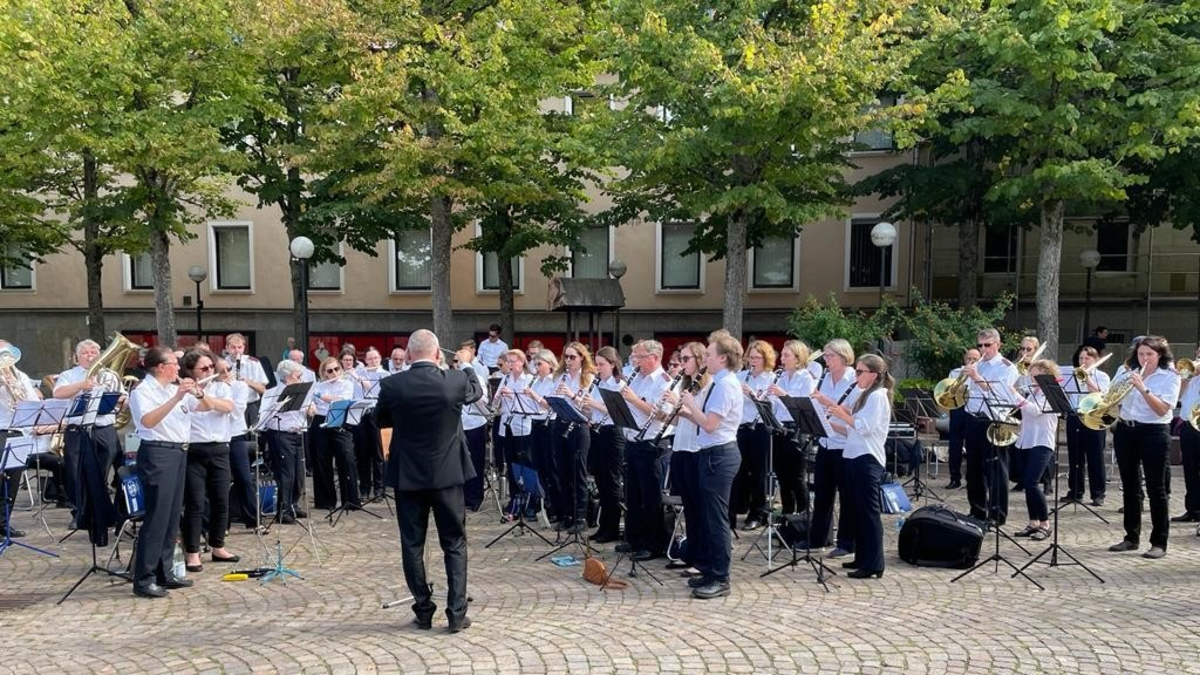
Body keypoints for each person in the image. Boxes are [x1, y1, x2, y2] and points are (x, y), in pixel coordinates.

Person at [375, 330, 481, 632]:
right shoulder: (455, 380)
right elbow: (476, 390)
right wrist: (467, 364)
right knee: (455, 544)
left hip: (409, 476)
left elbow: (380, 420)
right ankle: (456, 613)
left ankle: (423, 609)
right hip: (448, 475)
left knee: (412, 544)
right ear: (438, 355)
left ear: (408, 355)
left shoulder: (392, 384)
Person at [128, 346, 219, 598]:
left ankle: (165, 572)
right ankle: (144, 578)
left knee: (171, 518)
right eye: (173, 363)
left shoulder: (172, 389)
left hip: (179, 452)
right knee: (157, 518)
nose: (178, 368)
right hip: (158, 453)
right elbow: (148, 421)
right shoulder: (143, 391)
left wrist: (199, 392)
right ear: (160, 367)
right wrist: (177, 397)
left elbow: (205, 407)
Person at [674, 333, 743, 599]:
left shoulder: (726, 385)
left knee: (716, 519)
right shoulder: (719, 382)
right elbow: (706, 421)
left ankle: (721, 577)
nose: (707, 359)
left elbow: (712, 424)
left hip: (720, 454)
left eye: (711, 354)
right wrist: (688, 413)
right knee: (708, 516)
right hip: (711, 452)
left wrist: (691, 405)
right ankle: (710, 569)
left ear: (723, 358)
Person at [821, 353, 892, 579]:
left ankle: (874, 563)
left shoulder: (878, 396)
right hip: (852, 454)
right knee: (858, 511)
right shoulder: (864, 395)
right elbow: (851, 429)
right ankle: (862, 557)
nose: (856, 376)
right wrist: (829, 423)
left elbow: (865, 427)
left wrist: (842, 413)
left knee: (869, 513)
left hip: (867, 458)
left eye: (860, 372)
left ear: (874, 375)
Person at [1108, 336, 1179, 559]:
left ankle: (1159, 542)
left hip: (1154, 432)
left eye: (1150, 354)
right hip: (1126, 430)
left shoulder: (1170, 376)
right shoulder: (1125, 370)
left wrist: (1142, 388)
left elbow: (1162, 409)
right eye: (1141, 354)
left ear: (1160, 355)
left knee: (1156, 489)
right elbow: (1111, 398)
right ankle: (1131, 537)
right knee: (1130, 486)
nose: (1145, 358)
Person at [53, 339, 124, 535]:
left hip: (104, 428)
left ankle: (102, 512)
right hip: (78, 430)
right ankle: (79, 513)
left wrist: (121, 401)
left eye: (94, 351)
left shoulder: (110, 375)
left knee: (103, 472)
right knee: (75, 472)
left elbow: (122, 399)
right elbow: (58, 393)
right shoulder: (69, 375)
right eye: (85, 352)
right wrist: (82, 385)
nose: (90, 355)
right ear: (77, 357)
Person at [178, 349, 240, 573]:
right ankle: (192, 552)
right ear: (191, 371)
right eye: (204, 368)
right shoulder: (182, 391)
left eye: (211, 367)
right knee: (195, 503)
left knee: (221, 501)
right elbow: (201, 408)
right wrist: (197, 395)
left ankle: (218, 546)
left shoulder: (221, 387)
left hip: (220, 448)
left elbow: (227, 407)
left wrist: (204, 395)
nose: (210, 371)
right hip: (194, 449)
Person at [619, 340, 675, 560]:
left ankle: (653, 544)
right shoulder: (638, 379)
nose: (635, 361)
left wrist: (633, 399)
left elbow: (663, 414)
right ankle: (634, 538)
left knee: (650, 496)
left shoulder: (664, 382)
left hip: (651, 443)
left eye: (639, 357)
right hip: (633, 440)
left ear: (654, 358)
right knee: (632, 493)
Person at [961, 328, 1018, 526]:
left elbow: (1001, 395)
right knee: (973, 470)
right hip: (973, 419)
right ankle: (977, 511)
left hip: (994, 420)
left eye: (987, 345)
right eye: (980, 345)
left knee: (996, 469)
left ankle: (997, 515)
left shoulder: (1006, 367)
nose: (983, 349)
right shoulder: (978, 365)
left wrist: (976, 377)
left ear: (998, 345)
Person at [806, 339, 857, 557]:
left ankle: (846, 542)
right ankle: (819, 538)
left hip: (845, 443)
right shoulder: (825, 377)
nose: (826, 360)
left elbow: (849, 411)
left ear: (844, 356)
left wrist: (825, 401)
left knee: (847, 495)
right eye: (825, 356)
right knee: (823, 493)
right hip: (826, 441)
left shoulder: (853, 378)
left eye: (830, 356)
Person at [1007, 360, 1061, 543]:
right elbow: (1025, 412)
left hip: (1042, 442)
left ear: (1046, 374)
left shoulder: (1052, 393)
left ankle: (1045, 524)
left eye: (1036, 375)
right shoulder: (1033, 392)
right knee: (1028, 484)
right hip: (1026, 441)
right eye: (1031, 375)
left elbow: (1036, 411)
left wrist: (1015, 394)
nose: (1032, 378)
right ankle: (1033, 522)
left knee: (1031, 482)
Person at [581, 346, 626, 542]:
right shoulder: (598, 383)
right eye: (597, 364)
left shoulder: (618, 384)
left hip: (612, 434)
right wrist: (586, 410)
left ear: (613, 364)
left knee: (611, 481)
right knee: (600, 479)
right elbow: (596, 412)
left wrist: (593, 404)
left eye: (601, 364)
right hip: (597, 432)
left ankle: (612, 527)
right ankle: (603, 526)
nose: (598, 368)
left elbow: (615, 411)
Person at [766, 340, 817, 515]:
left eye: (786, 355)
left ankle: (803, 515)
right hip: (780, 429)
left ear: (798, 358)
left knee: (796, 477)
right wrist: (766, 398)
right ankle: (787, 515)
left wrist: (783, 394)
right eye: (782, 354)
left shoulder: (805, 378)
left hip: (797, 430)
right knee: (782, 477)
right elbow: (774, 405)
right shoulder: (780, 376)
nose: (782, 358)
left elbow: (803, 405)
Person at [550, 342, 596, 534]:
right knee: (564, 472)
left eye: (572, 357)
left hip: (579, 427)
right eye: (566, 357)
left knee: (578, 473)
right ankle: (567, 515)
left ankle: (581, 517)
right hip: (561, 424)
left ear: (582, 358)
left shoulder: (589, 378)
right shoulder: (561, 376)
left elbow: (589, 409)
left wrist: (572, 395)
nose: (568, 361)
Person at [261, 360, 310, 524]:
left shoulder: (302, 391)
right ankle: (283, 510)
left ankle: (294, 504)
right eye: (298, 375)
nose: (301, 378)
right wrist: (278, 405)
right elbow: (265, 417)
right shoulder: (274, 392)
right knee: (286, 473)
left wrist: (311, 408)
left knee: (298, 473)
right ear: (288, 378)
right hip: (281, 434)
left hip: (298, 433)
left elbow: (309, 409)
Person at [307, 356, 359, 511]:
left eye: (337, 369)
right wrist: (311, 407)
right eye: (330, 371)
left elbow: (341, 400)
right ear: (324, 372)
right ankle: (325, 501)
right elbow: (309, 402)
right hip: (320, 420)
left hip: (339, 419)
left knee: (346, 457)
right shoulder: (318, 385)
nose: (334, 373)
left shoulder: (347, 384)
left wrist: (320, 396)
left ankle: (350, 500)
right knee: (321, 460)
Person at [734, 340, 776, 531]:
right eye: (751, 357)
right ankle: (738, 506)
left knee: (758, 472)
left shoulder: (771, 378)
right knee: (740, 470)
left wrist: (753, 395)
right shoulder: (741, 376)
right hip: (741, 428)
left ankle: (757, 512)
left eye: (757, 357)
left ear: (765, 359)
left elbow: (770, 405)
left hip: (759, 428)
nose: (753, 361)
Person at [0, 340, 40, 538]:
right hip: (1, 430)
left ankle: (4, 523)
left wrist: (23, 402)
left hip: (18, 432)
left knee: (13, 481)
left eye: (7, 355)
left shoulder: (21, 376)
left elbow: (34, 402)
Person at [1063, 346, 1111, 506]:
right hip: (1075, 416)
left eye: (1087, 359)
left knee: (1095, 457)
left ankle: (1098, 494)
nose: (1083, 362)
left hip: (1094, 418)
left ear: (1095, 360)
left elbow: (1101, 396)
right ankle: (1075, 491)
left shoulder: (1102, 376)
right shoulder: (1072, 375)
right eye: (1081, 359)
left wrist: (1087, 379)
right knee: (1075, 457)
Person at [944, 348, 980, 490]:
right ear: (964, 359)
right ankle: (954, 478)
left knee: (973, 446)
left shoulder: (981, 372)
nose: (971, 361)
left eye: (975, 359)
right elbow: (949, 391)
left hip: (974, 410)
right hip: (958, 409)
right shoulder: (955, 372)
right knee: (954, 446)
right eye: (968, 358)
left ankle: (971, 479)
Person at [1174, 345, 1200, 523]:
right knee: (1190, 469)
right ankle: (1192, 509)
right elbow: (1178, 396)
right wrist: (1186, 377)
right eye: (1199, 353)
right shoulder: (1189, 377)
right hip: (1189, 426)